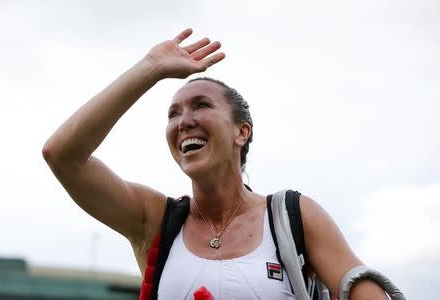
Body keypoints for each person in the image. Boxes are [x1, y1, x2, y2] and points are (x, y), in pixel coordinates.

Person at [43, 28, 392, 299]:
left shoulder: (294, 216)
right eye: (173, 114)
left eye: (202, 106)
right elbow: (63, 155)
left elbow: (361, 287)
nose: (184, 121)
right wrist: (150, 69)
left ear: (242, 132)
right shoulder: (154, 220)